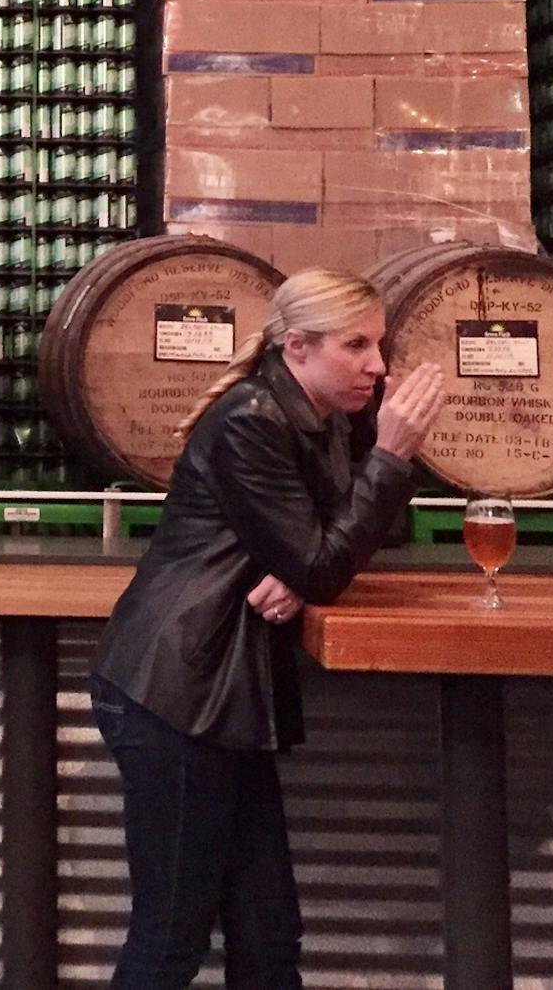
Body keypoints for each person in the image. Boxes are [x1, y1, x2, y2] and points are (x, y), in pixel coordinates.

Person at [89, 269, 448, 990]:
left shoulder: (326, 416)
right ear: (297, 346)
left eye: (378, 345)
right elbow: (323, 560)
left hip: (224, 692)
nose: (377, 366)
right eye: (356, 346)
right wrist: (387, 462)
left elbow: (361, 538)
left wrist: (305, 557)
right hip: (179, 688)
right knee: (171, 935)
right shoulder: (251, 419)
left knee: (266, 932)